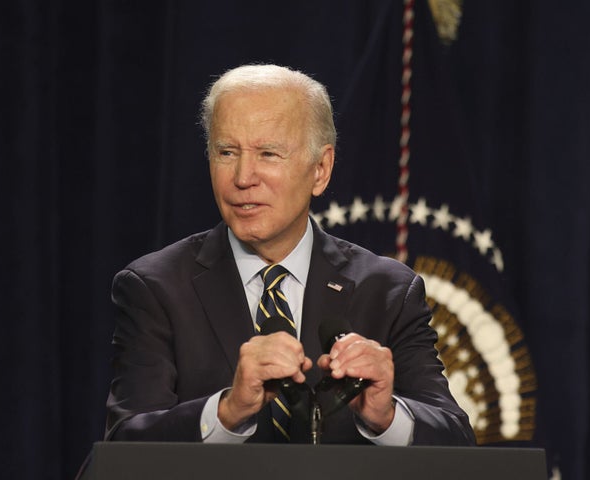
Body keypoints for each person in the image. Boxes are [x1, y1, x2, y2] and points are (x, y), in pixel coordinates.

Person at [104, 64, 475, 446]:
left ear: (320, 169)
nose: (244, 177)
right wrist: (226, 413)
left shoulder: (388, 292)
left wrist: (386, 416)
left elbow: (457, 442)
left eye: (268, 153)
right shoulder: (156, 287)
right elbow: (124, 448)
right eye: (227, 152)